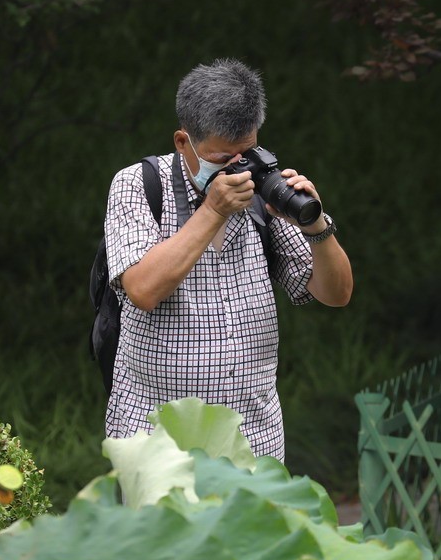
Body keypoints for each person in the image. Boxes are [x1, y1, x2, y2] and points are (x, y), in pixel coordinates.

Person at [103, 58, 353, 459]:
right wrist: (213, 211)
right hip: (158, 441)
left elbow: (336, 294)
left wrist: (316, 226)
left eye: (247, 153)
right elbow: (142, 290)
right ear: (182, 141)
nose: (238, 171)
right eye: (222, 159)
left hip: (254, 440)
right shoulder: (138, 185)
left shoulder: (263, 189)